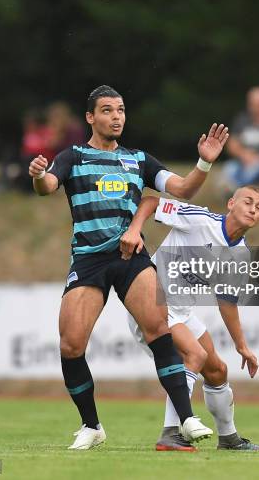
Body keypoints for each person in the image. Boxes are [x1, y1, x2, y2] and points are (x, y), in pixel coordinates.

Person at [28, 85, 229, 450]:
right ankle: (92, 425)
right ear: (90, 117)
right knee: (71, 345)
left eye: (120, 110)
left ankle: (186, 419)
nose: (116, 116)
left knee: (158, 328)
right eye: (107, 110)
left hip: (130, 258)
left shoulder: (139, 159)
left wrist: (204, 162)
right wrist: (40, 174)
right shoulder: (73, 156)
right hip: (89, 260)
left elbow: (182, 190)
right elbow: (48, 187)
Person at [123, 186, 259, 452]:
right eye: (248, 202)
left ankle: (228, 439)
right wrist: (134, 230)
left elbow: (227, 302)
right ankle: (170, 433)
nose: (253, 209)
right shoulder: (199, 219)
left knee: (217, 371)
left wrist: (242, 346)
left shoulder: (240, 255)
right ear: (230, 203)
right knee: (195, 356)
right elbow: (151, 202)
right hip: (152, 306)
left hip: (181, 313)